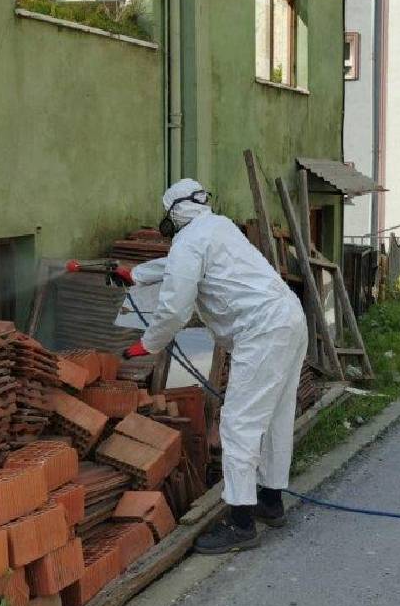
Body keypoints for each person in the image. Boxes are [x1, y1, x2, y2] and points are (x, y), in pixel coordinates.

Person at [121, 178, 308, 554]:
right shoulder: (218, 226)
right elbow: (176, 264)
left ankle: (240, 523)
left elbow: (174, 307)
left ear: (174, 212)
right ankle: (271, 502)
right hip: (289, 317)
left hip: (262, 330)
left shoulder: (189, 241)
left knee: (239, 424)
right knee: (275, 416)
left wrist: (147, 344)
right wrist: (135, 274)